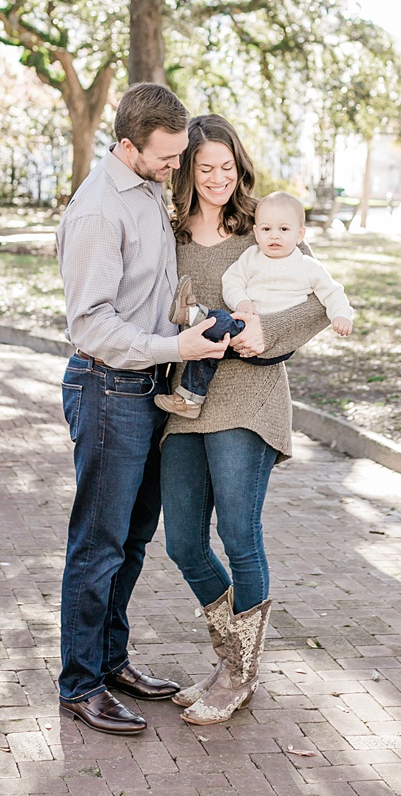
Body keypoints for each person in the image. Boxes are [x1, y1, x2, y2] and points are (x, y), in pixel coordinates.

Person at [55, 84, 229, 736]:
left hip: (149, 388)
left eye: (181, 154)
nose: (177, 168)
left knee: (131, 542)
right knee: (97, 547)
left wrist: (196, 325)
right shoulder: (99, 211)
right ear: (128, 145)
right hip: (107, 390)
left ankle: (111, 661)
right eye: (167, 157)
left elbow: (148, 294)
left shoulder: (148, 189)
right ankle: (80, 685)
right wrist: (172, 344)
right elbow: (92, 325)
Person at [159, 114, 333, 726]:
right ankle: (232, 653)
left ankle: (238, 675)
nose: (217, 178)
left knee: (239, 535)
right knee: (182, 540)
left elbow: (318, 299)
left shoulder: (265, 225)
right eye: (204, 167)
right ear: (186, 170)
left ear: (240, 166)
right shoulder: (170, 230)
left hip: (250, 399)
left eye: (226, 167)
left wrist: (267, 332)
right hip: (186, 402)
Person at [156, 190, 354, 417]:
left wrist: (342, 315)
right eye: (267, 229)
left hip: (273, 342)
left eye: (284, 229)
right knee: (208, 346)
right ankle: (190, 399)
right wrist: (241, 302)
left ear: (300, 234)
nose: (275, 236)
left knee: (218, 322)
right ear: (256, 232)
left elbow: (332, 292)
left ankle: (193, 314)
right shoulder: (252, 256)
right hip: (243, 330)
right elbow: (231, 280)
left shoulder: (307, 266)